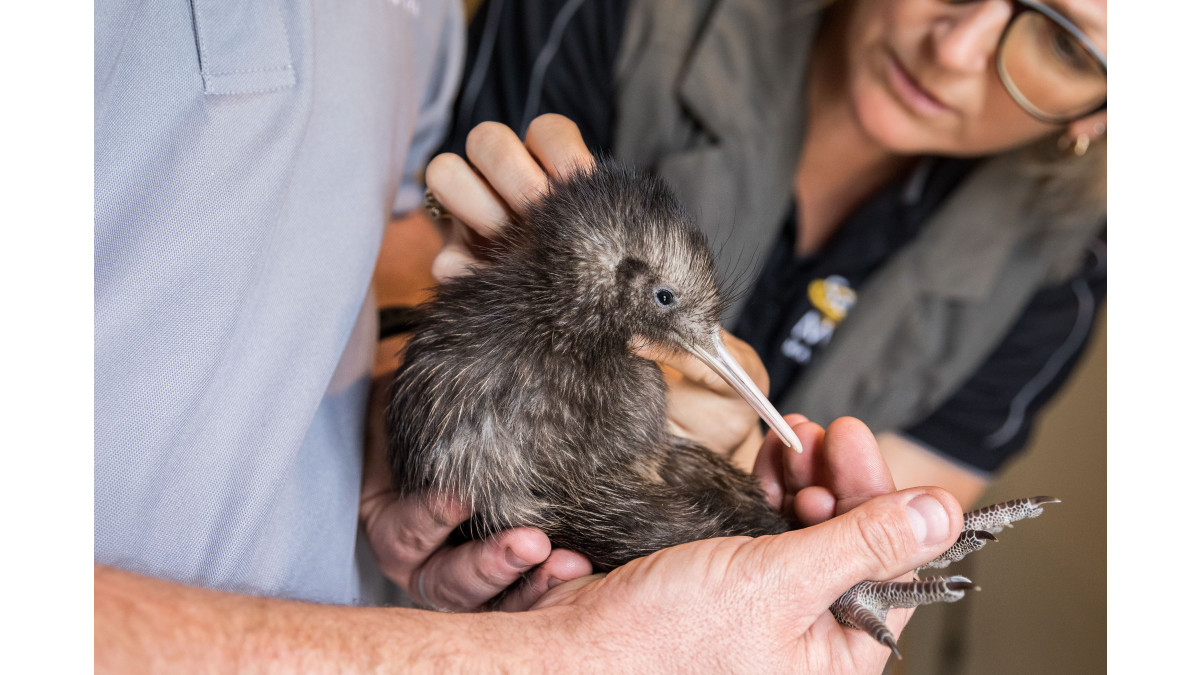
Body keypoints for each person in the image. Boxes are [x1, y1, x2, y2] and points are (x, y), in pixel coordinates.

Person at [95, 1, 966, 671]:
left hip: (371, 583)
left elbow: (377, 228)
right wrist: (554, 656)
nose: (964, 48)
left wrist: (405, 365)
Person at [429, 0, 1108, 508]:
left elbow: (875, 540)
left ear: (1100, 113)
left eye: (1065, 45)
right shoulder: (619, 16)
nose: (955, 49)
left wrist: (734, 458)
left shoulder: (1060, 277)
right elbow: (396, 297)